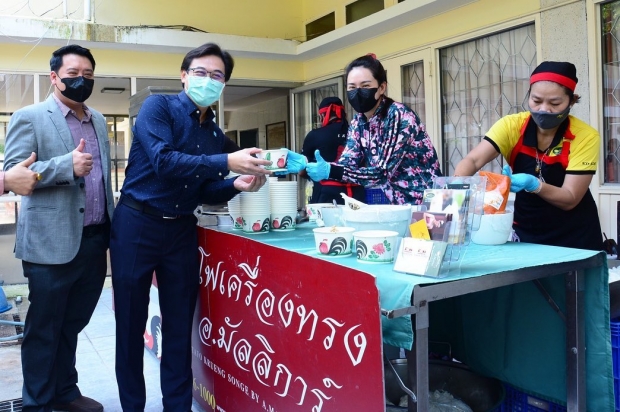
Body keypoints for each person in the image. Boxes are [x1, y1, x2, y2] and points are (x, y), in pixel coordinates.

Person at [110, 42, 271, 412]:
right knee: (131, 327)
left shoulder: (213, 134)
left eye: (217, 76)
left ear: (223, 84)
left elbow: (204, 190)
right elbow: (165, 162)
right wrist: (228, 160)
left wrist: (236, 183)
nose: (208, 80)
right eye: (200, 72)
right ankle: (132, 406)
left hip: (181, 229)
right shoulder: (158, 108)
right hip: (137, 224)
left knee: (180, 328)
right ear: (184, 76)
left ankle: (177, 406)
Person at [3, 44, 115, 412]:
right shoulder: (30, 117)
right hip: (50, 243)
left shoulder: (98, 120)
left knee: (72, 324)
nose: (80, 81)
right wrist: (63, 166)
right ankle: (37, 404)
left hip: (95, 240)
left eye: (87, 75)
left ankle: (66, 391)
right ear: (54, 77)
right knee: (44, 328)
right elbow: (17, 177)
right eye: (72, 74)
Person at [454, 61, 603, 251]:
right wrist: (458, 195)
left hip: (574, 237)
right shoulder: (512, 126)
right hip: (527, 231)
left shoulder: (585, 136)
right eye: (537, 100)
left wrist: (535, 185)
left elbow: (570, 197)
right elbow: (473, 160)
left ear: (572, 101)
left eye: (555, 103)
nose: (544, 109)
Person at [305, 53, 442, 205]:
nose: (357, 92)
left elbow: (382, 173)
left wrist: (332, 170)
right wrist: (306, 163)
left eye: (365, 86)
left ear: (382, 87)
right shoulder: (359, 122)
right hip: (395, 206)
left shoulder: (398, 116)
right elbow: (348, 165)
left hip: (425, 205)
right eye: (352, 87)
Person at [301, 97, 365, 204]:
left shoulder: (315, 135)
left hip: (326, 195)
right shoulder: (358, 133)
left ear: (322, 115)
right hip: (357, 195)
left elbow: (302, 171)